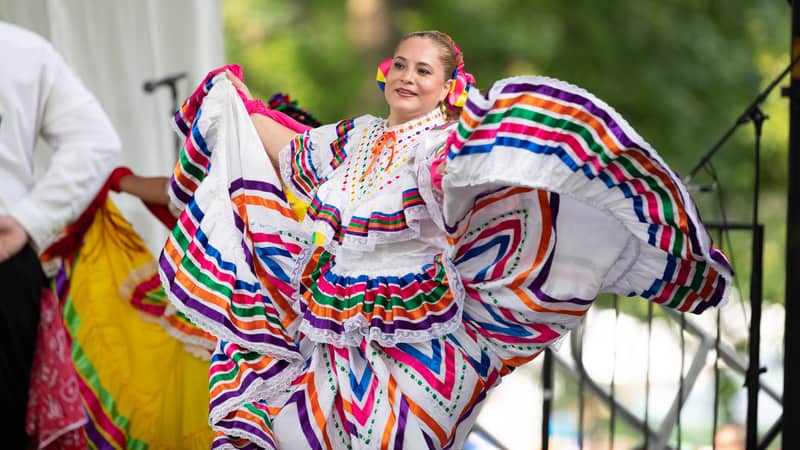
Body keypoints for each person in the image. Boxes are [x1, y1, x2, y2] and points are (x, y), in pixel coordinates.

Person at [159, 30, 733, 449]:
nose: (407, 77)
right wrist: (232, 101)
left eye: (424, 70)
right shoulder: (355, 139)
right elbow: (288, 146)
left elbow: (493, 178)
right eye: (400, 65)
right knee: (288, 430)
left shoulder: (442, 147)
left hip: (420, 340)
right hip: (331, 333)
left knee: (394, 438)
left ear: (447, 86)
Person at [0, 21, 121, 448]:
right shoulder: (19, 48)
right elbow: (96, 141)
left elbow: (96, 142)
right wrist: (29, 218)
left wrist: (27, 219)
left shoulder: (21, 50)